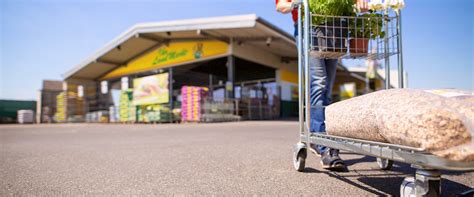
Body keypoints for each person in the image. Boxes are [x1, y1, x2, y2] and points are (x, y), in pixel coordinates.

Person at [276, 0, 368, 170]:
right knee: (319, 82)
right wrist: (299, 3)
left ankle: (320, 139)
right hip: (308, 26)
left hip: (334, 28)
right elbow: (281, 5)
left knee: (326, 88)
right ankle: (323, 143)